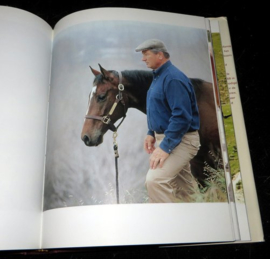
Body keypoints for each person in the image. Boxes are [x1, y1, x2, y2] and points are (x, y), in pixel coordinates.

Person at [135, 39, 201, 203]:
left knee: (155, 180)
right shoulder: (159, 77)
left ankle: (165, 222)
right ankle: (197, 219)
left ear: (159, 54)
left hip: (182, 141)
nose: (143, 59)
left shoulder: (173, 79)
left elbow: (181, 117)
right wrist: (151, 132)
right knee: (185, 190)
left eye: (146, 54)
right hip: (170, 138)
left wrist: (164, 147)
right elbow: (160, 109)